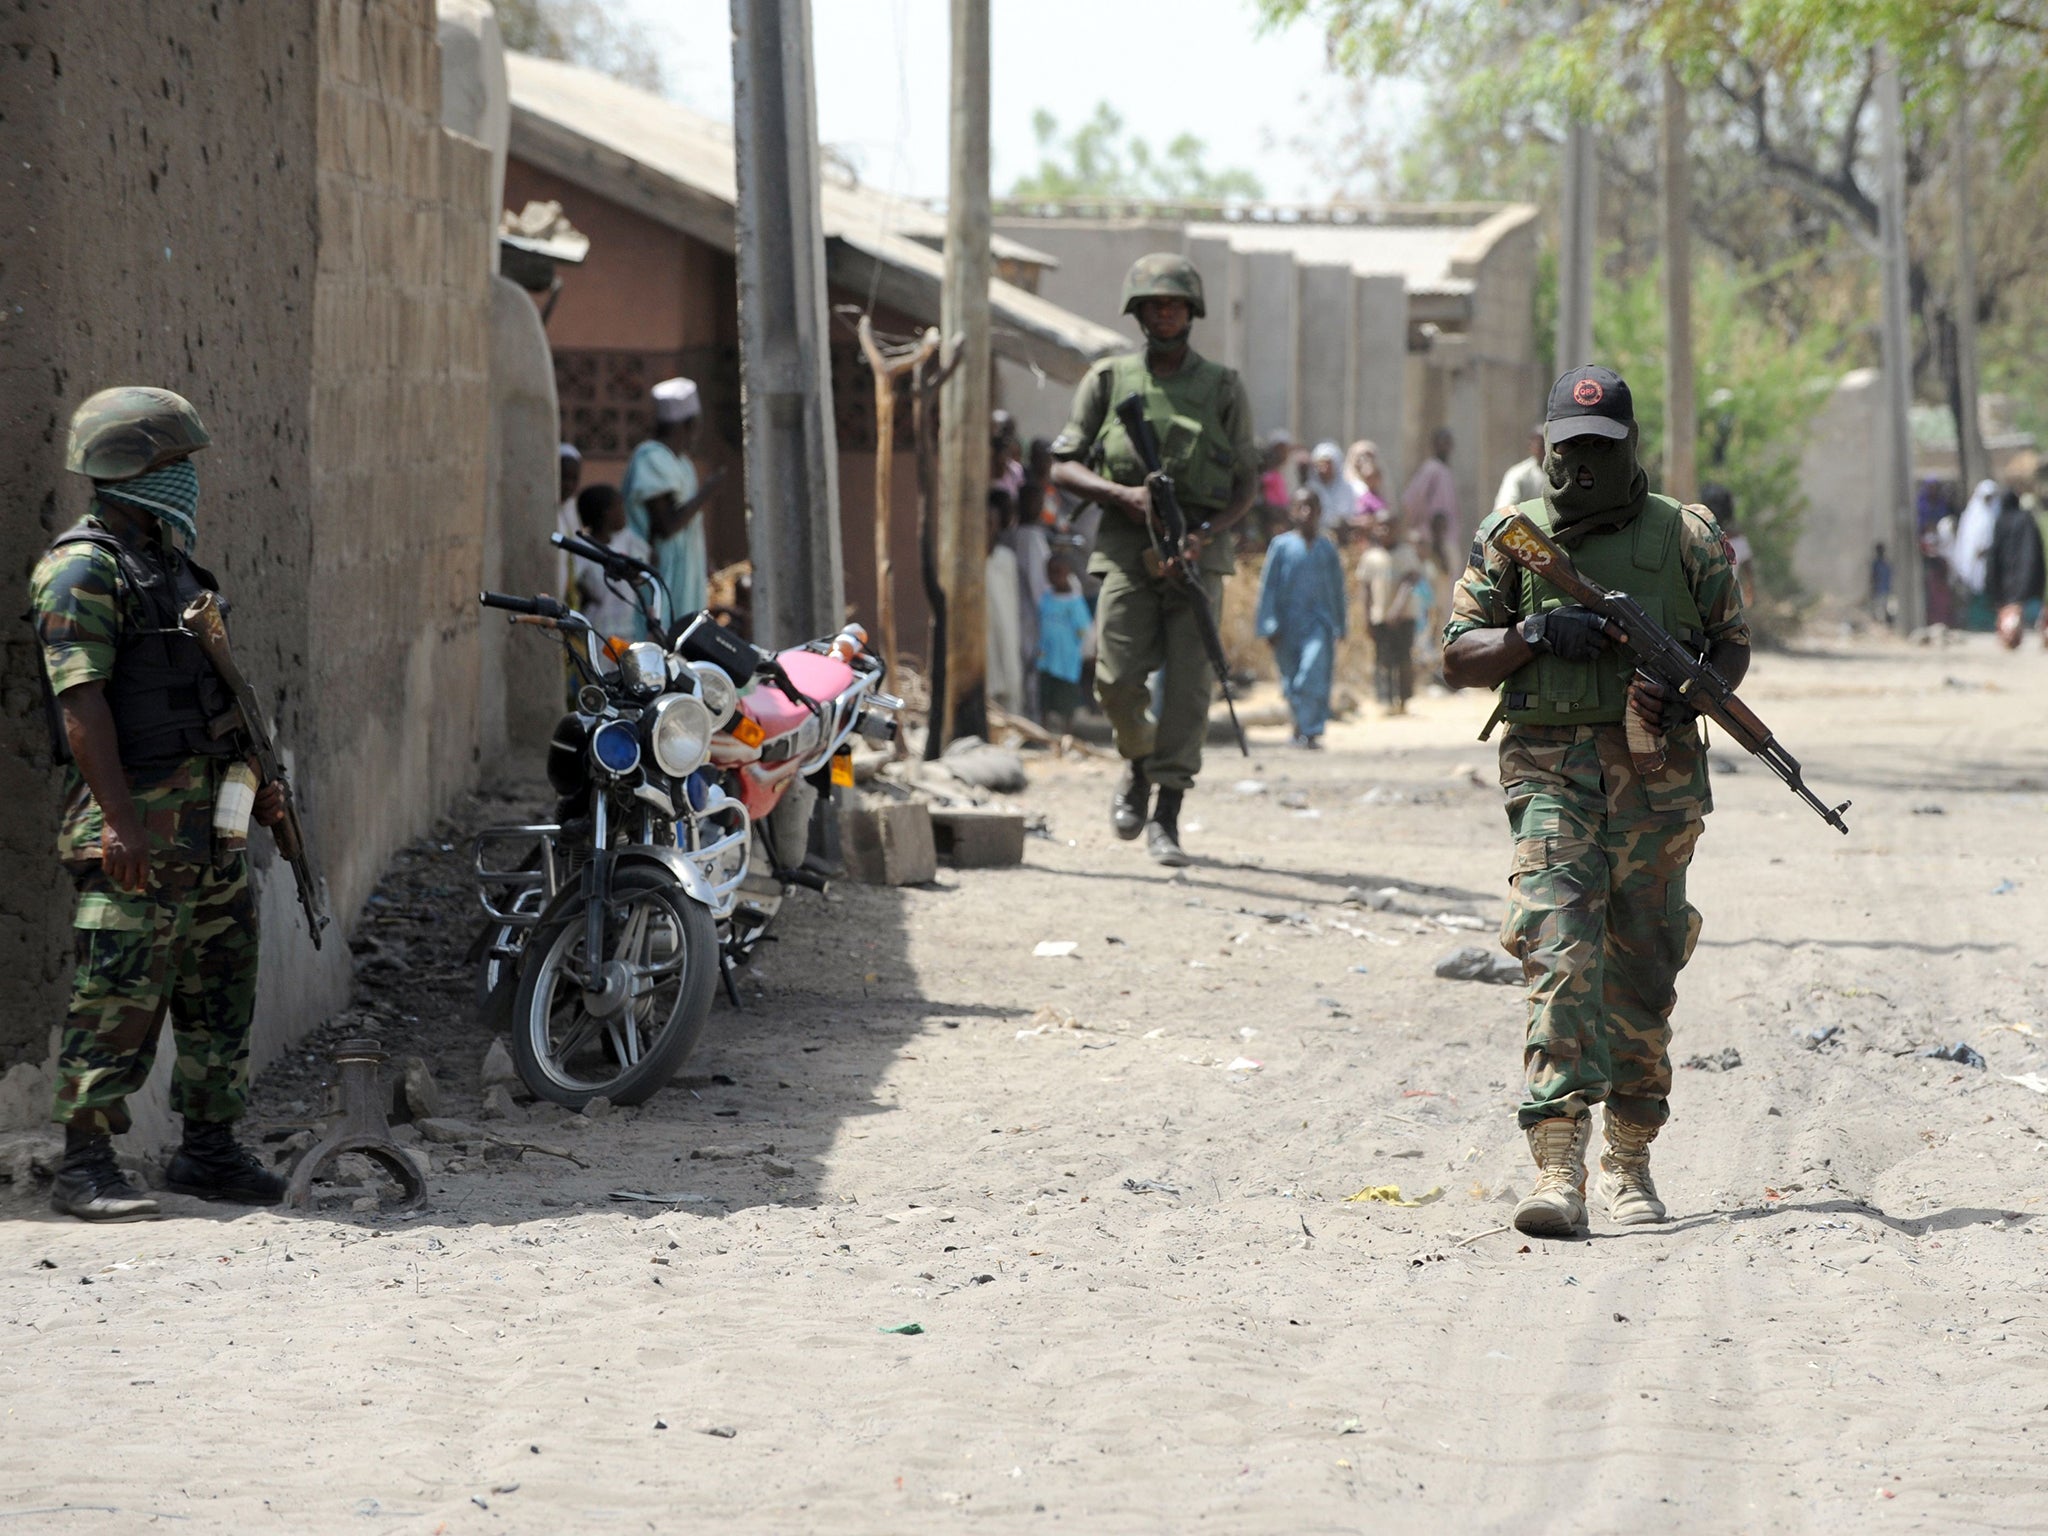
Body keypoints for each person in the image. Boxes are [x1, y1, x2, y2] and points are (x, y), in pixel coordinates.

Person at [1442, 365, 1748, 1240]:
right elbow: (1458, 655)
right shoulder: (1514, 539)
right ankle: (1557, 1166)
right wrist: (1535, 633)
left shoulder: (1685, 538)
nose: (1580, 464)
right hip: (1548, 776)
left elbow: (1732, 653)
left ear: (1630, 447)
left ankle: (1630, 1159)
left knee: (1644, 971)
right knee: (1558, 954)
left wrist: (1685, 692)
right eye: (1567, 448)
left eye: (1598, 449)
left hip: (1656, 786)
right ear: (1545, 447)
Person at [30, 387, 296, 1220]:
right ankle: (84, 1162)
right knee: (118, 996)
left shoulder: (173, 563)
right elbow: (82, 704)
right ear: (130, 468)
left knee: (221, 990)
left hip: (207, 828)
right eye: (174, 463)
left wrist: (259, 786)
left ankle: (208, 1151)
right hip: (136, 823)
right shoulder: (83, 569)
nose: (187, 480)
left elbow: (215, 694)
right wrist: (117, 818)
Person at [1050, 252, 1256, 868]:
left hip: (1199, 549)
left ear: (1191, 310)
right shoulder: (1109, 380)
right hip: (1124, 545)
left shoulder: (1222, 386)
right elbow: (1062, 464)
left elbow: (1247, 481)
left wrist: (1206, 532)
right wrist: (1124, 495)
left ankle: (1166, 810)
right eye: (1153, 304)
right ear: (1137, 312)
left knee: (1191, 690)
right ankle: (1137, 763)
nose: (1164, 313)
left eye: (1174, 303)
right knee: (1114, 678)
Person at [621, 376, 724, 623]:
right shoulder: (651, 458)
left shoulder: (683, 464)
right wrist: (707, 491)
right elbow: (666, 526)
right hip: (662, 571)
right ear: (689, 424)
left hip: (686, 573)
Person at [1255, 488, 1348, 747]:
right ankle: (1299, 725)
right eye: (1301, 507)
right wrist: (1268, 624)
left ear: (1319, 512)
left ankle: (1312, 728)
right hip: (1286, 625)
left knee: (1312, 672)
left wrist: (1341, 624)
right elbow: (1269, 586)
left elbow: (1338, 589)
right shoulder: (1281, 546)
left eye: (1312, 507)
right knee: (1291, 679)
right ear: (1292, 511)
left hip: (1319, 623)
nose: (1306, 513)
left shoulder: (1327, 547)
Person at [568, 484, 653, 643]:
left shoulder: (626, 540)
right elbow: (575, 586)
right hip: (597, 632)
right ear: (606, 513)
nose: (624, 512)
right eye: (619, 507)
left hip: (626, 630)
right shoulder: (583, 548)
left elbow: (646, 566)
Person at [1358, 514, 1421, 713]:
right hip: (1380, 617)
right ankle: (1384, 700)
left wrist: (1397, 608)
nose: (1385, 532)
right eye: (1381, 527)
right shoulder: (1370, 557)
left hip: (1404, 617)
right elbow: (1366, 589)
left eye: (1389, 527)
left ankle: (1402, 700)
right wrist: (1367, 617)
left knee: (1403, 659)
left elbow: (1409, 581)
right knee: (1383, 660)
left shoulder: (1406, 554)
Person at [1036, 552, 1094, 734]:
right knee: (1045, 698)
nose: (1056, 577)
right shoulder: (1046, 598)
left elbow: (1085, 631)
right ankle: (1043, 732)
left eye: (1059, 572)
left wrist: (1086, 653)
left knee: (1067, 699)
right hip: (1046, 658)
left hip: (1068, 660)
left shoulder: (1075, 602)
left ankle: (1067, 734)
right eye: (1052, 573)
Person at [1985, 486, 2046, 649]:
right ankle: (2012, 636)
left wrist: (1991, 577)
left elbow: (1994, 553)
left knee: (2009, 607)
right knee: (2017, 607)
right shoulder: (2026, 519)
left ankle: (2010, 636)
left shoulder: (2001, 520)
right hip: (2023, 572)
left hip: (2004, 575)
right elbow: (2033, 549)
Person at [985, 490, 1025, 717]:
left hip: (1007, 630)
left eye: (991, 523)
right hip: (983, 634)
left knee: (1010, 675)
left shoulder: (1005, 558)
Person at [1402, 426, 1459, 552]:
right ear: (1434, 445)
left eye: (1448, 443)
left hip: (1447, 535)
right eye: (1442, 443)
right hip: (1431, 536)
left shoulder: (1446, 470)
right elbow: (1412, 498)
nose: (1445, 447)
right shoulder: (1431, 468)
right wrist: (1420, 524)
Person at [1494, 426, 1548, 512]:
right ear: (1531, 446)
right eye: (1541, 445)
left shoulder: (1562, 472)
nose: (1546, 450)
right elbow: (1504, 509)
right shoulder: (1518, 474)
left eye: (1549, 445)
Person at [1306, 441, 1358, 531]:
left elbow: (1351, 515)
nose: (1323, 468)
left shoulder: (1348, 489)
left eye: (1328, 464)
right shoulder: (1309, 489)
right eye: (1320, 464)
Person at [554, 442, 583, 598]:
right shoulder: (550, 511)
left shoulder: (571, 512)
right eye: (564, 478)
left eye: (574, 479)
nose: (569, 485)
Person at [1346, 439, 1389, 522]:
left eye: (1368, 456)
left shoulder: (1380, 487)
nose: (1364, 460)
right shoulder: (1348, 486)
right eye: (1359, 457)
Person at [1868, 541, 1895, 627]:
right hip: (1881, 590)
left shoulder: (1881, 564)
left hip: (1882, 590)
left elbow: (1874, 577)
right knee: (1880, 610)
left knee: (1883, 610)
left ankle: (1883, 626)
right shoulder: (1881, 563)